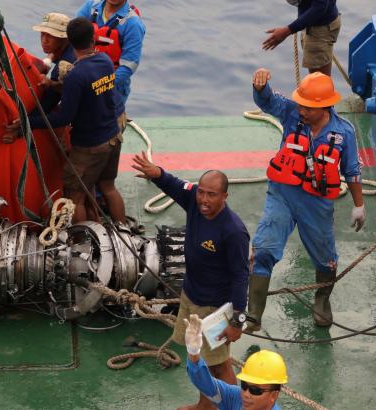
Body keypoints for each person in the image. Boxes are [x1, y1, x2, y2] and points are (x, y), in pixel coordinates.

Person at [247, 69, 364, 331]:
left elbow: (353, 170)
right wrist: (260, 86)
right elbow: (267, 102)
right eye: (301, 103)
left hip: (317, 204)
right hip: (282, 195)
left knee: (325, 258)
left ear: (324, 106)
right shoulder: (290, 112)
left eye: (308, 107)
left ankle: (322, 300)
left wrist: (359, 205)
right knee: (264, 248)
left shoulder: (343, 133)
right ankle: (254, 315)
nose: (301, 110)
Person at [131, 153, 249, 410]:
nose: (204, 200)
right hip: (191, 295)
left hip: (213, 308)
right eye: (202, 192)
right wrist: (157, 174)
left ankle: (235, 407)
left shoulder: (233, 231)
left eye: (211, 195)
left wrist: (238, 320)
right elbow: (175, 185)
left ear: (224, 197)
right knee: (200, 358)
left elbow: (241, 275)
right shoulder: (195, 201)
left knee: (219, 364)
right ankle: (205, 405)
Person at [4, 17, 121, 223]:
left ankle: (81, 245)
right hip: (112, 137)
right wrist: (55, 84)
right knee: (108, 188)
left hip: (90, 147)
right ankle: (123, 231)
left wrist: (26, 123)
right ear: (93, 39)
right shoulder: (104, 61)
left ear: (68, 41)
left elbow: (63, 117)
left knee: (74, 198)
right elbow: (89, 90)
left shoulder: (75, 74)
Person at [75, 0, 146, 104]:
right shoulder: (89, 8)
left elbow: (128, 67)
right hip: (83, 76)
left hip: (114, 89)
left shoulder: (133, 24)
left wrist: (99, 87)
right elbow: (72, 39)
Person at [184, 314, 288, 410]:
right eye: (244, 386)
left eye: (255, 391)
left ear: (273, 396)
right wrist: (193, 353)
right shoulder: (236, 397)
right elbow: (206, 384)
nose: (246, 394)